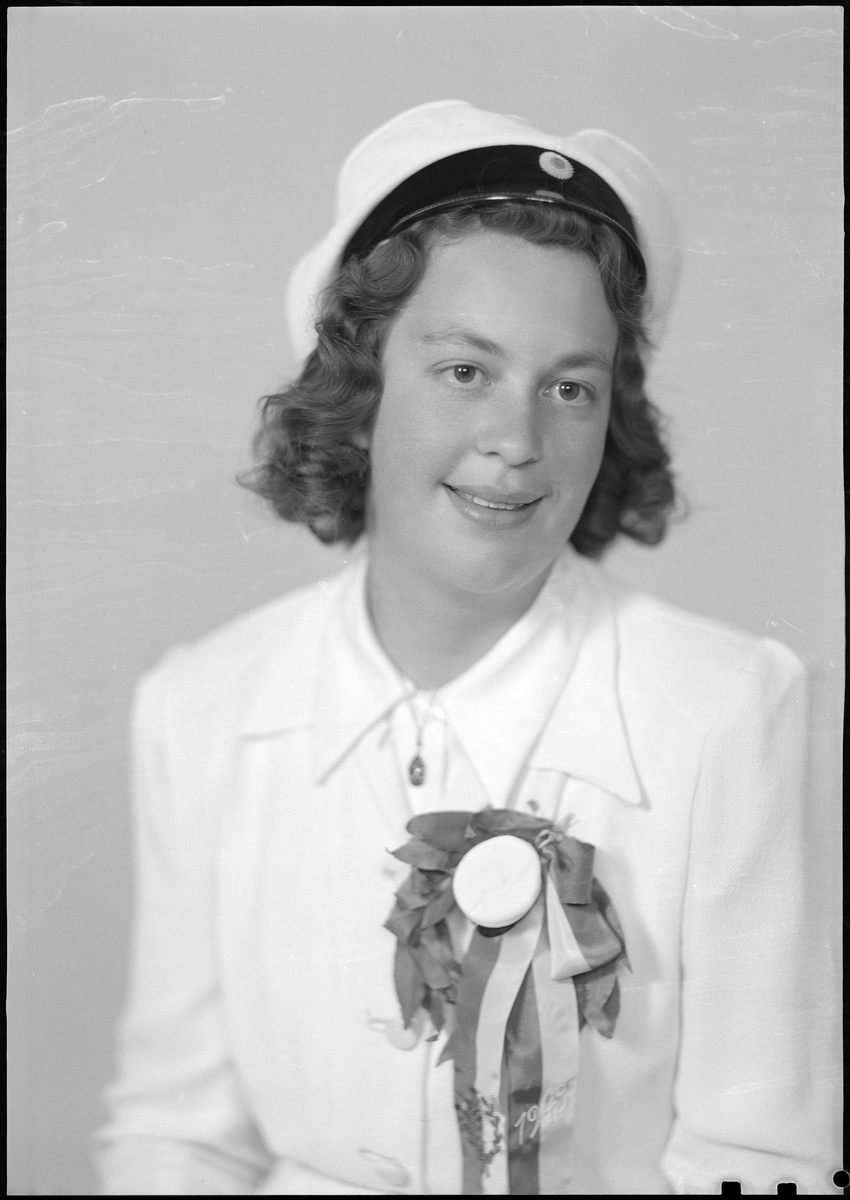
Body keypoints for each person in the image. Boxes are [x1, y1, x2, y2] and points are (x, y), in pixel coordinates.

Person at [93, 101, 837, 1196]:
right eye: (464, 371)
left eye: (569, 388)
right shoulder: (200, 707)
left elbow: (763, 1159)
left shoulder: (731, 710)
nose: (517, 441)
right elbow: (179, 1134)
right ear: (359, 387)